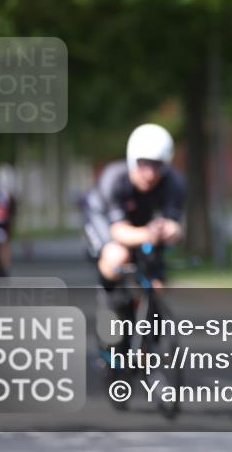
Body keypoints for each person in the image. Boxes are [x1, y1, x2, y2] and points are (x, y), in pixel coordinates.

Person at [82, 123, 185, 319]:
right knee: (117, 256)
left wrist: (172, 231)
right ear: (132, 161)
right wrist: (150, 234)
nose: (150, 173)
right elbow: (118, 231)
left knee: (155, 282)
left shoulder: (174, 183)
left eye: (157, 165)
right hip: (103, 220)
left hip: (141, 226)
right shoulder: (114, 179)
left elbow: (174, 225)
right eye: (143, 164)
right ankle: (108, 304)